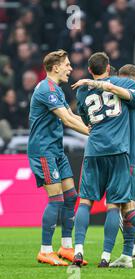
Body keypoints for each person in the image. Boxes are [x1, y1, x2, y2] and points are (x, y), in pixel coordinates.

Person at [72, 53, 135, 268]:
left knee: (117, 206)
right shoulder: (131, 95)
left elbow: (87, 120)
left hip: (123, 155)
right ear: (109, 68)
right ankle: (123, 254)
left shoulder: (91, 90)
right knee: (121, 206)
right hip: (126, 154)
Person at [27, 50, 89, 266]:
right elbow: (67, 120)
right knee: (56, 200)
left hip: (56, 150)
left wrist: (95, 127)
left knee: (71, 197)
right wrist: (96, 135)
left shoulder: (56, 89)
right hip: (43, 151)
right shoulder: (46, 89)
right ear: (55, 67)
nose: (70, 68)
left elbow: (72, 116)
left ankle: (65, 247)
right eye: (67, 65)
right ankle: (45, 250)